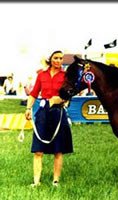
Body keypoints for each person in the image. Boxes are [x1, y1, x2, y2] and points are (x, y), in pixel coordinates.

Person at [25, 50, 73, 187]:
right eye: (56, 58)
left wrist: (65, 100)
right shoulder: (41, 75)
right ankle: (36, 182)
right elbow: (34, 93)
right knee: (38, 150)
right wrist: (28, 108)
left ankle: (56, 181)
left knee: (58, 150)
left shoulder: (65, 76)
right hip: (43, 112)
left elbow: (69, 94)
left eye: (61, 58)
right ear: (50, 59)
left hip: (58, 112)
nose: (59, 60)